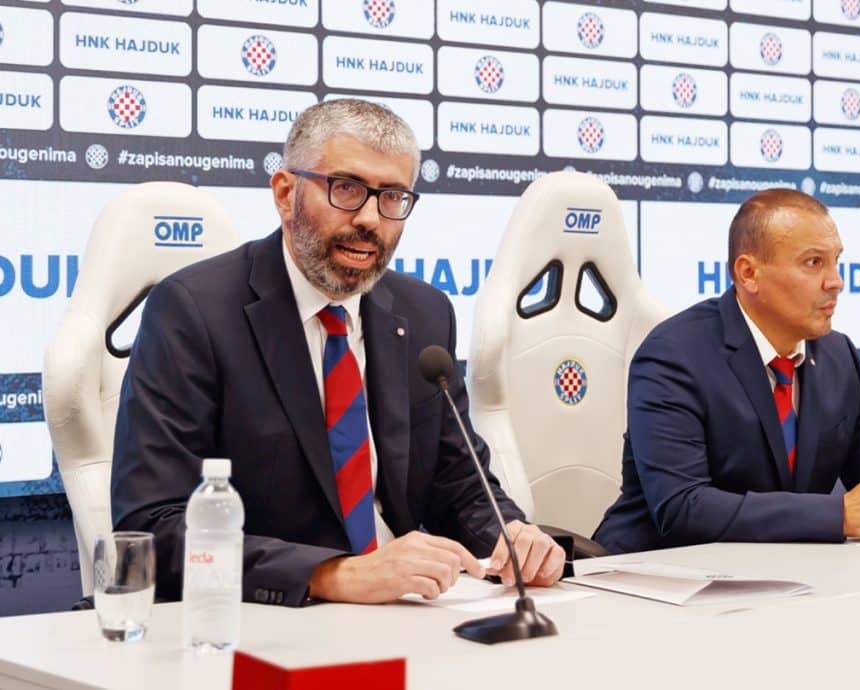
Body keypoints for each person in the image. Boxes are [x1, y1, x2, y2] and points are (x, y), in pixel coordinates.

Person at [111, 99, 564, 606]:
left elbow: (459, 484)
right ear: (286, 193)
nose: (371, 219)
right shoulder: (194, 311)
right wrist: (332, 575)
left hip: (406, 613)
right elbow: (154, 525)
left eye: (392, 197)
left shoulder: (424, 313)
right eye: (346, 189)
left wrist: (509, 534)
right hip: (272, 618)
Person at [593, 189, 860, 553]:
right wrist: (840, 514)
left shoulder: (839, 356)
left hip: (784, 570)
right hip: (651, 571)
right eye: (813, 262)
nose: (836, 281)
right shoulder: (674, 355)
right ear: (749, 273)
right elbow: (684, 508)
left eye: (836, 261)